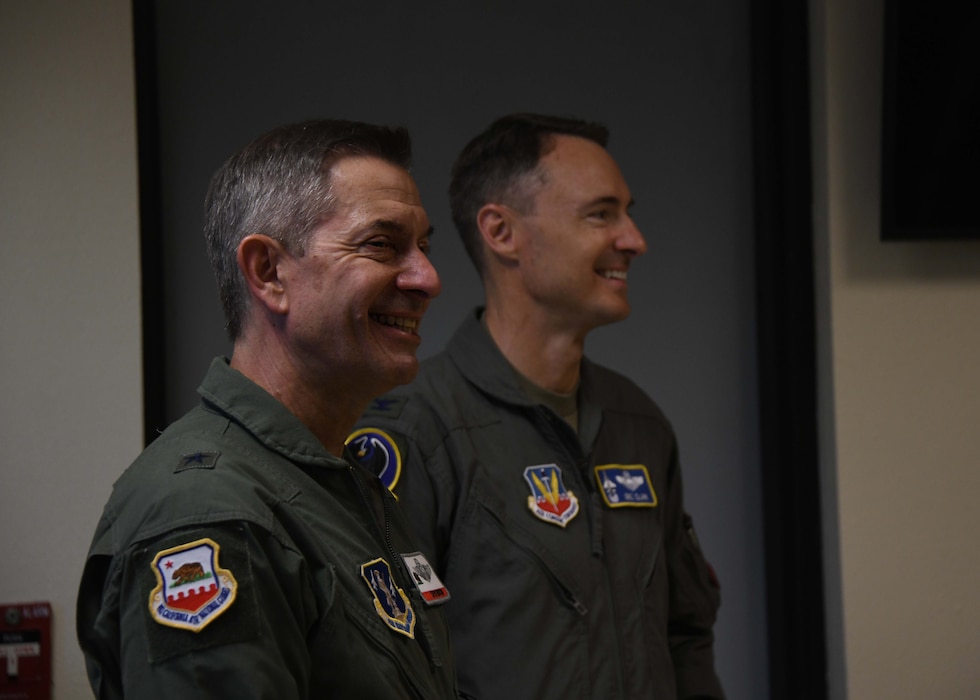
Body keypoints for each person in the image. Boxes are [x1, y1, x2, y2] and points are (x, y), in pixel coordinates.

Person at [76, 119, 459, 699]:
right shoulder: (210, 515)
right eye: (382, 244)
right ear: (269, 272)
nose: (427, 278)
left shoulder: (332, 479)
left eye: (424, 247)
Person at [350, 113, 725, 699]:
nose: (633, 239)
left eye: (627, 213)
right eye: (602, 214)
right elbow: (383, 664)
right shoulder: (414, 430)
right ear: (501, 232)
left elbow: (686, 635)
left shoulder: (639, 423)